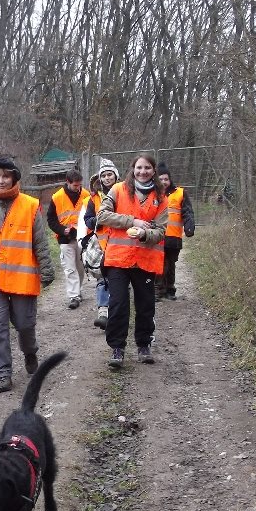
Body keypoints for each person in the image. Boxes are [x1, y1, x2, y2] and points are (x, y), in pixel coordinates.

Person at [0, 158, 55, 393]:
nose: (1, 180)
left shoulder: (29, 205)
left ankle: (30, 351)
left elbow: (40, 241)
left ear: (15, 178)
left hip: (21, 278)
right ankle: (2, 372)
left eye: (6, 176)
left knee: (25, 324)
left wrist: (47, 268)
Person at [97, 153, 168, 368]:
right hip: (118, 259)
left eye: (147, 168)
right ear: (132, 169)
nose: (142, 171)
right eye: (139, 168)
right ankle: (117, 348)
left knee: (145, 305)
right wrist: (132, 221)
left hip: (146, 260)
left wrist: (146, 235)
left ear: (153, 171)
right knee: (118, 304)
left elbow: (162, 230)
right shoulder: (117, 190)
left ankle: (144, 345)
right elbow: (102, 216)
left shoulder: (161, 197)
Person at [83, 158, 119, 329]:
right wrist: (100, 220)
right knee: (102, 276)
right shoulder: (94, 198)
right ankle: (103, 312)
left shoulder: (123, 193)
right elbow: (87, 220)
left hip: (122, 242)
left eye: (109, 174)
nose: (106, 178)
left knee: (119, 279)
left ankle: (117, 311)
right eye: (103, 175)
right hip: (102, 244)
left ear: (115, 176)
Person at [47, 169, 90, 309]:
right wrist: (61, 230)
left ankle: (78, 290)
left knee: (80, 267)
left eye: (79, 185)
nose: (78, 188)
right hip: (65, 238)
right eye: (75, 185)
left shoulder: (86, 195)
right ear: (68, 182)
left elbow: (90, 215)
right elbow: (51, 219)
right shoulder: (57, 197)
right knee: (69, 268)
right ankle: (74, 296)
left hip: (82, 237)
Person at [155, 162, 195, 300]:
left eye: (166, 179)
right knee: (161, 263)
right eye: (161, 179)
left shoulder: (180, 193)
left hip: (174, 236)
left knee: (170, 263)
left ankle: (169, 289)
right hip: (158, 236)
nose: (164, 182)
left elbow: (187, 212)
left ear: (170, 179)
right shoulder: (153, 194)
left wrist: (190, 226)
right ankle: (159, 290)